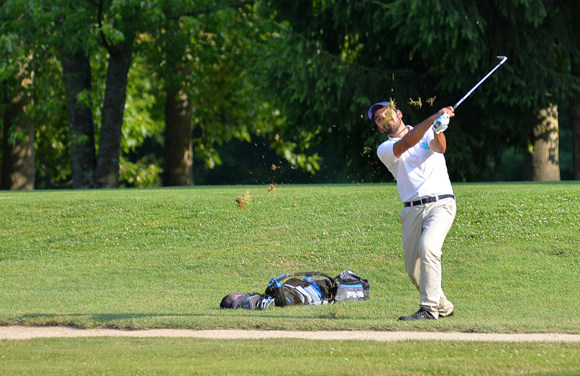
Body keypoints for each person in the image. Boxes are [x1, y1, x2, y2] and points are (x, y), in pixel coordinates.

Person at [368, 101, 456, 321]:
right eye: (379, 119)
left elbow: (440, 148)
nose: (384, 119)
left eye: (387, 114)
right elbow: (407, 142)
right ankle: (443, 306)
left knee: (428, 248)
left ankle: (428, 309)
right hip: (411, 210)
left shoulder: (426, 133)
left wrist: (438, 130)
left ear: (398, 113)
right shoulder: (384, 149)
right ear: (379, 128)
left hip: (441, 203)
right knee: (412, 268)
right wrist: (433, 118)